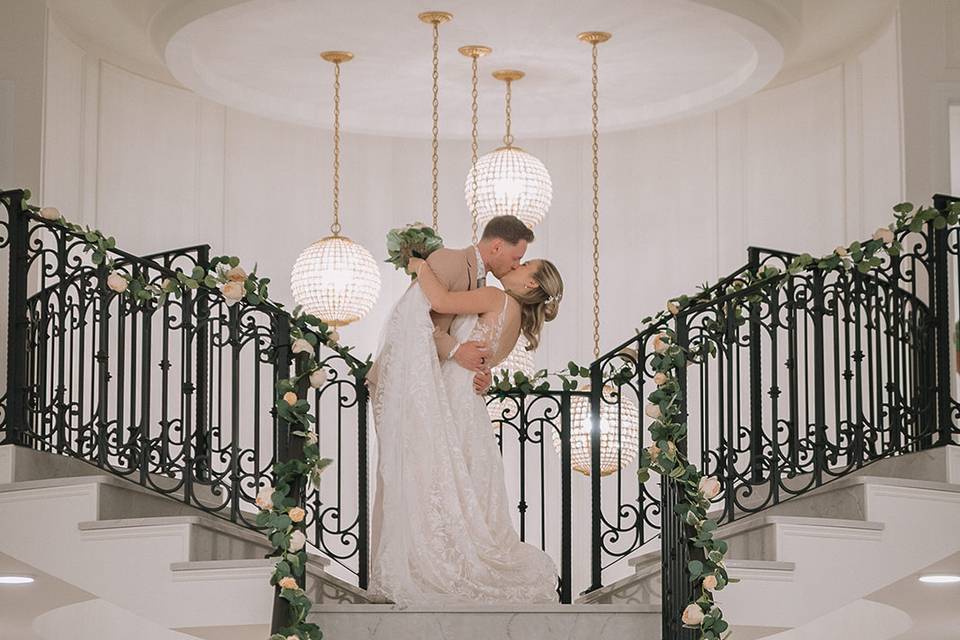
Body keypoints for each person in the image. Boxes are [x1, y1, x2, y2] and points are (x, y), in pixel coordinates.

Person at [368, 216, 564, 607]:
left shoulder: (496, 298)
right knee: (456, 481)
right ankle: (452, 557)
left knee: (433, 473)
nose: (517, 266)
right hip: (469, 401)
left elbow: (440, 304)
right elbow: (484, 361)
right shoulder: (517, 323)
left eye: (525, 265)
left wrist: (419, 265)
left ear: (529, 284)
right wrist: (481, 372)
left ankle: (435, 563)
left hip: (450, 391)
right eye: (519, 258)